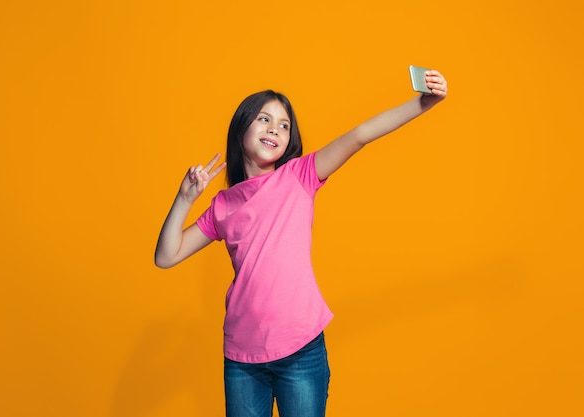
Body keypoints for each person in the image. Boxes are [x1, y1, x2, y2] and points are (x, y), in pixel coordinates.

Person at [155, 69, 448, 417]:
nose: (274, 129)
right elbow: (166, 256)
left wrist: (422, 103)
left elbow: (360, 135)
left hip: (300, 350)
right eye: (264, 119)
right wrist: (184, 198)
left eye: (283, 125)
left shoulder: (299, 176)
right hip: (242, 357)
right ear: (241, 127)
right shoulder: (222, 205)